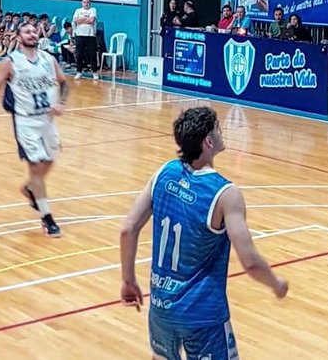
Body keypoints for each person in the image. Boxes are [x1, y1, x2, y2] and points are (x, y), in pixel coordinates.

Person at [118, 106, 289, 359]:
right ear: (209, 141)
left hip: (161, 308)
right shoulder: (225, 194)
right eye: (218, 129)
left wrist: (128, 280)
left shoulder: (163, 174)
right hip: (203, 316)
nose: (222, 133)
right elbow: (250, 262)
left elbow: (127, 229)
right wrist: (276, 284)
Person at [0, 22, 69, 237]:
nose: (32, 34)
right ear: (19, 36)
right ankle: (47, 217)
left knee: (49, 160)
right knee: (35, 166)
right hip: (25, 122)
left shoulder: (48, 59)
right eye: (27, 31)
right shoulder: (11, 61)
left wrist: (61, 103)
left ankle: (31, 188)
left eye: (34, 31)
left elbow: (64, 82)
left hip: (47, 120)